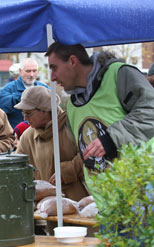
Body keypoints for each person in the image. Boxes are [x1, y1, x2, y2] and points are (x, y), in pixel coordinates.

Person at [46, 42, 154, 171]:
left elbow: (150, 111)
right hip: (100, 190)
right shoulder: (71, 106)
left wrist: (111, 138)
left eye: (54, 68)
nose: (52, 78)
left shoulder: (118, 74)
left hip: (137, 187)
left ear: (72, 61)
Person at [15, 86, 88, 201]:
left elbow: (89, 154)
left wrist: (68, 171)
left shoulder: (73, 125)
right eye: (23, 113)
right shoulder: (27, 137)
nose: (25, 118)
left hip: (76, 201)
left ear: (45, 110)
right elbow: (18, 167)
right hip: (44, 206)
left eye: (28, 114)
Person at [0, 58, 49, 128]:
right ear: (20, 71)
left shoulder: (45, 88)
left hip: (41, 134)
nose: (32, 75)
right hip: (17, 135)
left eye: (34, 71)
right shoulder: (9, 88)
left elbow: (56, 110)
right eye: (28, 71)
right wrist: (19, 98)